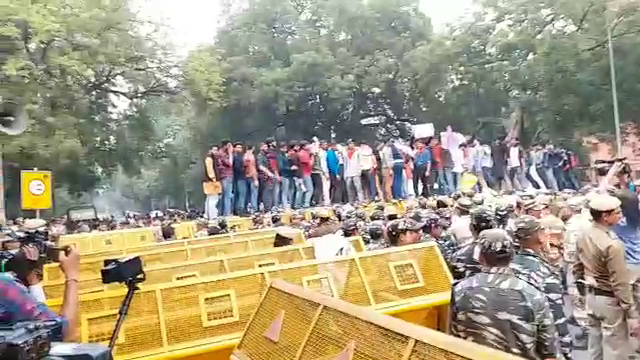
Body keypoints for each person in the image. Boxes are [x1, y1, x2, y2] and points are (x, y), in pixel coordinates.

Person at [450, 228, 557, 360]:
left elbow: (453, 341)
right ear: (512, 256)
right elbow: (549, 352)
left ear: (480, 257)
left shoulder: (460, 290)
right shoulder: (532, 294)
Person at [574, 193, 640, 359]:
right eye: (617, 212)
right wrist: (631, 313)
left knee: (595, 344)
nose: (621, 215)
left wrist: (582, 291)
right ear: (605, 216)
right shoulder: (613, 245)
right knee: (615, 348)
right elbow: (620, 282)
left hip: (591, 295)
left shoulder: (584, 234)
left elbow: (577, 266)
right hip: (609, 299)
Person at [510, 215, 572, 360]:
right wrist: (565, 350)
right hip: (539, 342)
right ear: (540, 236)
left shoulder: (509, 264)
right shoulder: (544, 272)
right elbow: (556, 316)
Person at [0, 242, 80, 342]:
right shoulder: (5, 287)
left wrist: (32, 279)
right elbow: (68, 334)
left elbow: (37, 322)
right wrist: (72, 275)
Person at [203, 145, 221, 220]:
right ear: (209, 150)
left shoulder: (212, 159)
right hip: (211, 182)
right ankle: (213, 216)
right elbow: (210, 171)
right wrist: (214, 180)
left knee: (209, 199)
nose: (216, 152)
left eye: (217, 150)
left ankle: (207, 215)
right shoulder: (209, 159)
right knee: (213, 199)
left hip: (209, 182)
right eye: (214, 150)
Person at [217, 139, 234, 216]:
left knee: (225, 195)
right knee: (227, 195)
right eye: (229, 145)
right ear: (225, 145)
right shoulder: (222, 154)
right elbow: (230, 163)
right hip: (226, 175)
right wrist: (230, 153)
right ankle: (227, 213)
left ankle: (223, 212)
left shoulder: (221, 153)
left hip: (226, 175)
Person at [344, 139, 364, 204]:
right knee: (349, 188)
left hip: (356, 171)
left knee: (358, 187)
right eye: (350, 143)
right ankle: (351, 201)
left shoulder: (357, 151)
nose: (351, 145)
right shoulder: (345, 152)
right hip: (348, 172)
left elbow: (361, 161)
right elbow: (345, 163)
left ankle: (361, 200)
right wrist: (345, 173)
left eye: (352, 143)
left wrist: (359, 170)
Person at [298, 141, 314, 208]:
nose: (309, 146)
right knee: (310, 189)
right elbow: (310, 164)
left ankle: (301, 203)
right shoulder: (303, 154)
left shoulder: (305, 153)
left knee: (304, 189)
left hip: (304, 173)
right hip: (305, 173)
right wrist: (313, 156)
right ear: (303, 146)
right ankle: (306, 203)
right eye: (307, 145)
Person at [244, 145, 259, 213]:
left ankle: (247, 208)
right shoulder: (251, 157)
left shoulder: (244, 156)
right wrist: (255, 179)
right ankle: (254, 209)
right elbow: (252, 168)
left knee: (247, 194)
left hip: (245, 177)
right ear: (253, 148)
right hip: (252, 177)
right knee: (254, 194)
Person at [232, 142, 247, 215]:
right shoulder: (236, 157)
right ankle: (240, 209)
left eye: (240, 147)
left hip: (237, 178)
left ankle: (236, 209)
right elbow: (237, 167)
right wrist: (244, 168)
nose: (239, 149)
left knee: (238, 194)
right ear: (234, 148)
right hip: (240, 177)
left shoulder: (238, 156)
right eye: (238, 147)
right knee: (242, 194)